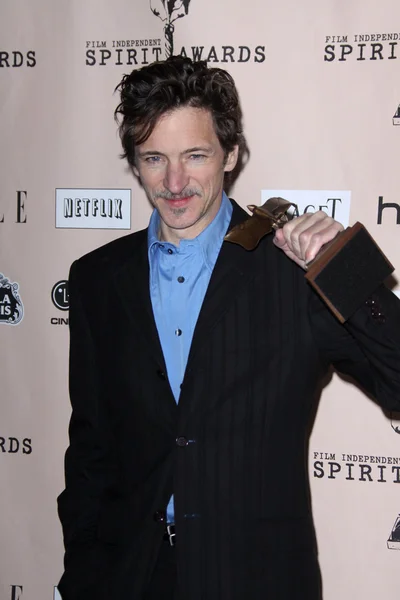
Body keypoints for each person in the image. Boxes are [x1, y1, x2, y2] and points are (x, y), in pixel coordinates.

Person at [57, 56, 400, 600]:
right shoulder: (98, 278)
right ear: (134, 162)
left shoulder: (294, 273)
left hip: (255, 580)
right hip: (129, 578)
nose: (173, 182)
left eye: (195, 156)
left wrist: (343, 266)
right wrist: (83, 574)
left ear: (231, 154)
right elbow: (91, 450)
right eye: (154, 158)